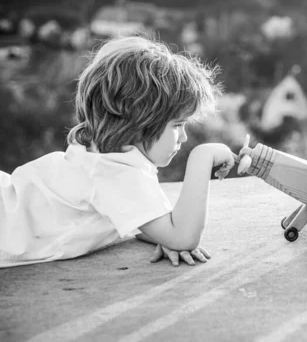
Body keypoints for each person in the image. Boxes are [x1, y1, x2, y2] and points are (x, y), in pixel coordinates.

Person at [0, 36, 237, 268]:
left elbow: (156, 226)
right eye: (177, 125)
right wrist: (201, 157)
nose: (184, 137)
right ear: (140, 122)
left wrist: (167, 235)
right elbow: (183, 236)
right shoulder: (115, 172)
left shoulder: (107, 160)